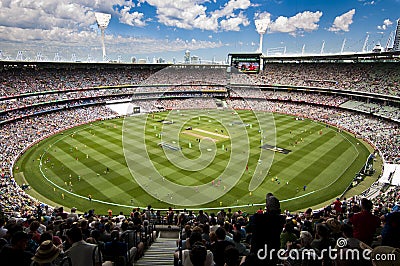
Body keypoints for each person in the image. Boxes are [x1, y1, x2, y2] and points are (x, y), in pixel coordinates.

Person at [249, 193, 285, 266]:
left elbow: (251, 222)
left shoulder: (257, 218)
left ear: (267, 207)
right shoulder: (281, 219)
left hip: (259, 253)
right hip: (273, 253)